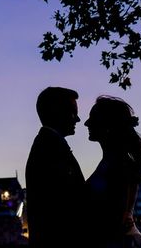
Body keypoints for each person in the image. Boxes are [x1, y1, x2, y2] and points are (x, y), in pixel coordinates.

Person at [83, 96, 141, 247]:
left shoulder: (118, 164)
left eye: (92, 119)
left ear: (107, 125)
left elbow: (115, 219)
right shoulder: (114, 162)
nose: (86, 123)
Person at [26, 86, 84, 248]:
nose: (77, 119)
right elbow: (69, 205)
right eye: (73, 112)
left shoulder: (48, 145)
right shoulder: (49, 150)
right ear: (56, 111)